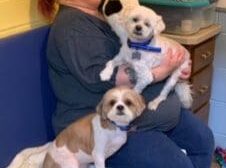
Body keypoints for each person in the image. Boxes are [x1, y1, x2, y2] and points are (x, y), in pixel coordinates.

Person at [38, 0, 214, 167]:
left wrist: (176, 65)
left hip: (144, 114)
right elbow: (106, 78)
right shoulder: (72, 26)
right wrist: (164, 69)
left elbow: (137, 53)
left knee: (203, 141)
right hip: (105, 126)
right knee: (176, 165)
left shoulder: (105, 14)